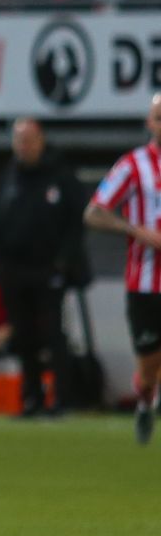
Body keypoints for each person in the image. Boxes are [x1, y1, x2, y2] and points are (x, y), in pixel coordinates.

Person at [0, 117, 88, 417]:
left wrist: (64, 261)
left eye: (29, 139)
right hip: (15, 271)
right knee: (24, 337)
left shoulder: (60, 176)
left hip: (49, 269)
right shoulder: (9, 177)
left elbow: (77, 222)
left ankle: (62, 398)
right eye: (19, 140)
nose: (24, 146)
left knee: (53, 335)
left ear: (41, 140)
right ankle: (31, 398)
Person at [83, 93, 161, 444]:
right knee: (147, 373)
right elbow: (94, 212)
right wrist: (136, 231)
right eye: (159, 117)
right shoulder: (134, 165)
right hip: (145, 286)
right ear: (149, 123)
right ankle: (145, 402)